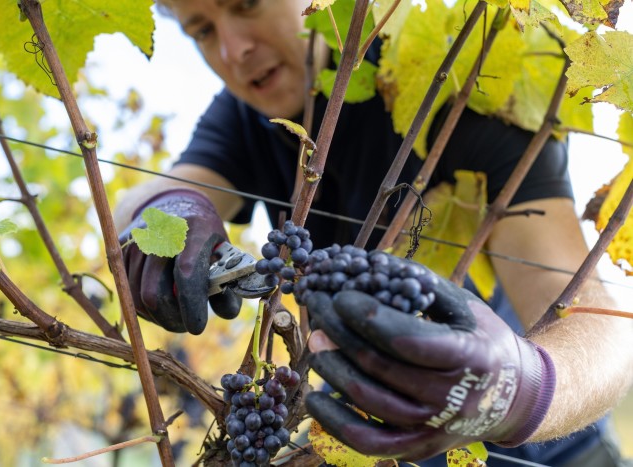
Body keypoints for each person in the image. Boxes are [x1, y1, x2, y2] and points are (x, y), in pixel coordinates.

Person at [114, 1, 633, 465]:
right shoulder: (248, 117)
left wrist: (520, 392)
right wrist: (165, 210)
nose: (233, 48)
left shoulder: (466, 92)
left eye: (247, 4)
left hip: (558, 458)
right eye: (201, 31)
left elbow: (602, 332)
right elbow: (140, 204)